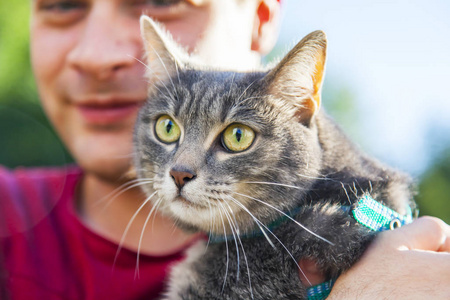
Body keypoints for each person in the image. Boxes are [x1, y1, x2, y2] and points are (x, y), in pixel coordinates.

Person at [0, 0, 448, 299]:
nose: (183, 168)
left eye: (235, 136)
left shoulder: (390, 244)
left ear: (261, 17)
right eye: (61, 4)